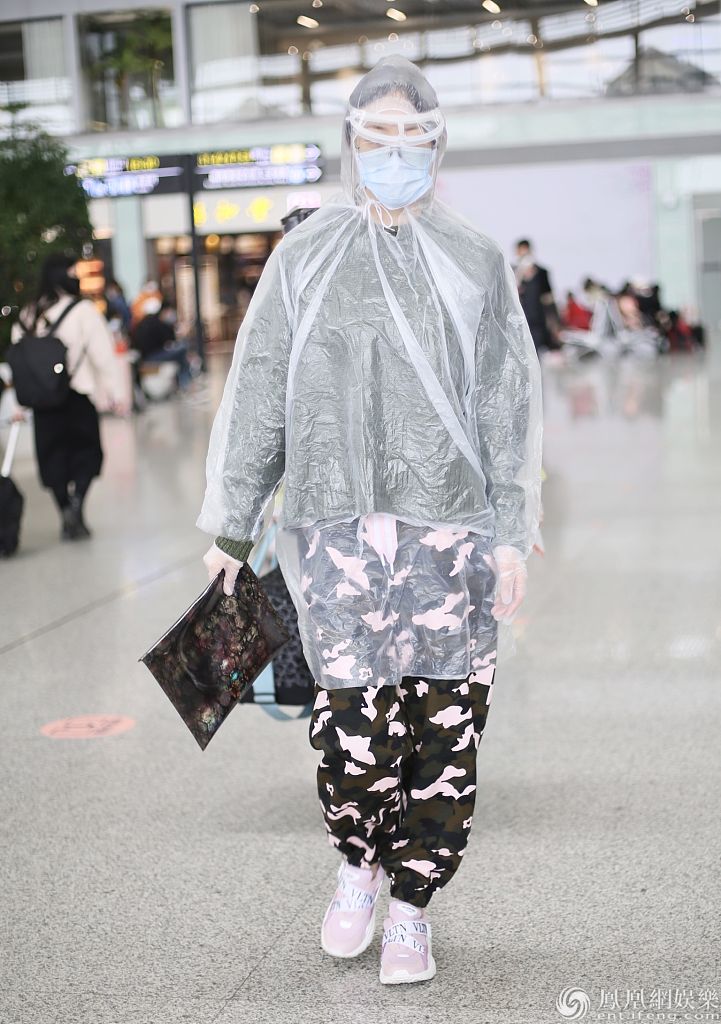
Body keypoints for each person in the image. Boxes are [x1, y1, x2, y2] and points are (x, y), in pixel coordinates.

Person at [197, 56, 542, 985]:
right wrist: (233, 527)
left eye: (411, 137)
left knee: (445, 726)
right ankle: (358, 863)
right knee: (351, 720)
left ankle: (413, 909)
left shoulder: (473, 260)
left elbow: (506, 404)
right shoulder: (305, 258)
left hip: (451, 537)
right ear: (350, 143)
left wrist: (512, 533)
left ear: (437, 145)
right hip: (337, 535)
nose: (394, 154)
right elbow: (261, 390)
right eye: (377, 136)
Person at [11, 253, 128, 540]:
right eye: (74, 273)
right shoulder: (83, 310)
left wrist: (18, 401)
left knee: (52, 458)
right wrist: (116, 392)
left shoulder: (28, 314)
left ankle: (64, 508)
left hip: (42, 403)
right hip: (77, 396)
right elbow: (103, 355)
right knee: (86, 454)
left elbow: (21, 362)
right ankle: (77, 506)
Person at [131, 298, 193, 390]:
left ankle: (185, 384)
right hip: (151, 357)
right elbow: (170, 339)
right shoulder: (156, 322)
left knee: (181, 357)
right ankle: (186, 385)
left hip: (147, 356)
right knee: (183, 348)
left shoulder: (146, 321)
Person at [514, 239, 561, 353]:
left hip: (537, 319)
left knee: (536, 350)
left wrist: (555, 324)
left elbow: (548, 298)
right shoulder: (513, 273)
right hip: (519, 319)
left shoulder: (541, 272)